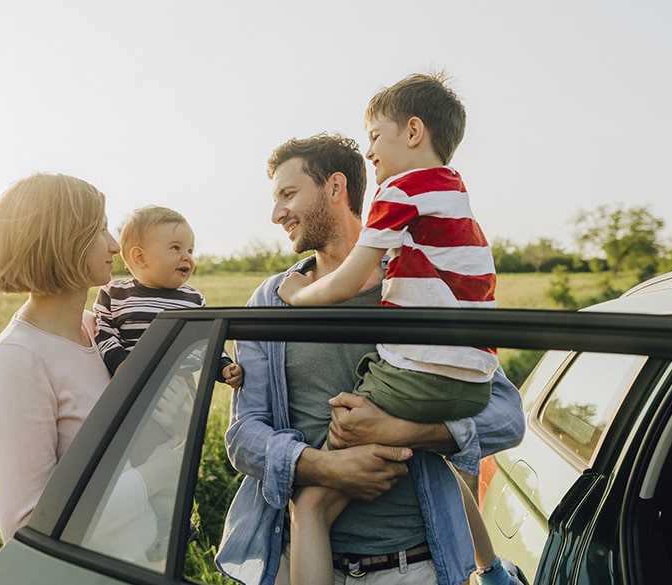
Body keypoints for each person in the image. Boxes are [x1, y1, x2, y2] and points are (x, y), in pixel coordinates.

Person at [216, 133, 525, 585]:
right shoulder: (271, 302)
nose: (276, 213)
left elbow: (506, 416)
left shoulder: (419, 289)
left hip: (415, 566)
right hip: (293, 558)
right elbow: (243, 436)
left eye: (288, 194)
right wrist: (325, 466)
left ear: (336, 188)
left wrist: (405, 431)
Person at [276, 73, 514, 585]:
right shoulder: (455, 196)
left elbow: (346, 282)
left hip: (420, 379)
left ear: (412, 131)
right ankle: (486, 564)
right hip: (469, 374)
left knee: (311, 505)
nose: (370, 153)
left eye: (375, 138)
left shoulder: (402, 191)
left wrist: (297, 298)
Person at [0, 173, 174, 546]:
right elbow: (27, 526)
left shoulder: (98, 332)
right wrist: (153, 477)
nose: (114, 245)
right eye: (100, 230)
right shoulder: (17, 360)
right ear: (62, 241)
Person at [93, 204, 243, 388]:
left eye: (190, 250)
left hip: (179, 386)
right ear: (140, 257)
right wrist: (119, 364)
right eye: (175, 248)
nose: (187, 257)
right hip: (131, 384)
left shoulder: (193, 298)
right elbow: (104, 333)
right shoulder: (115, 293)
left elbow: (206, 340)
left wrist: (224, 367)